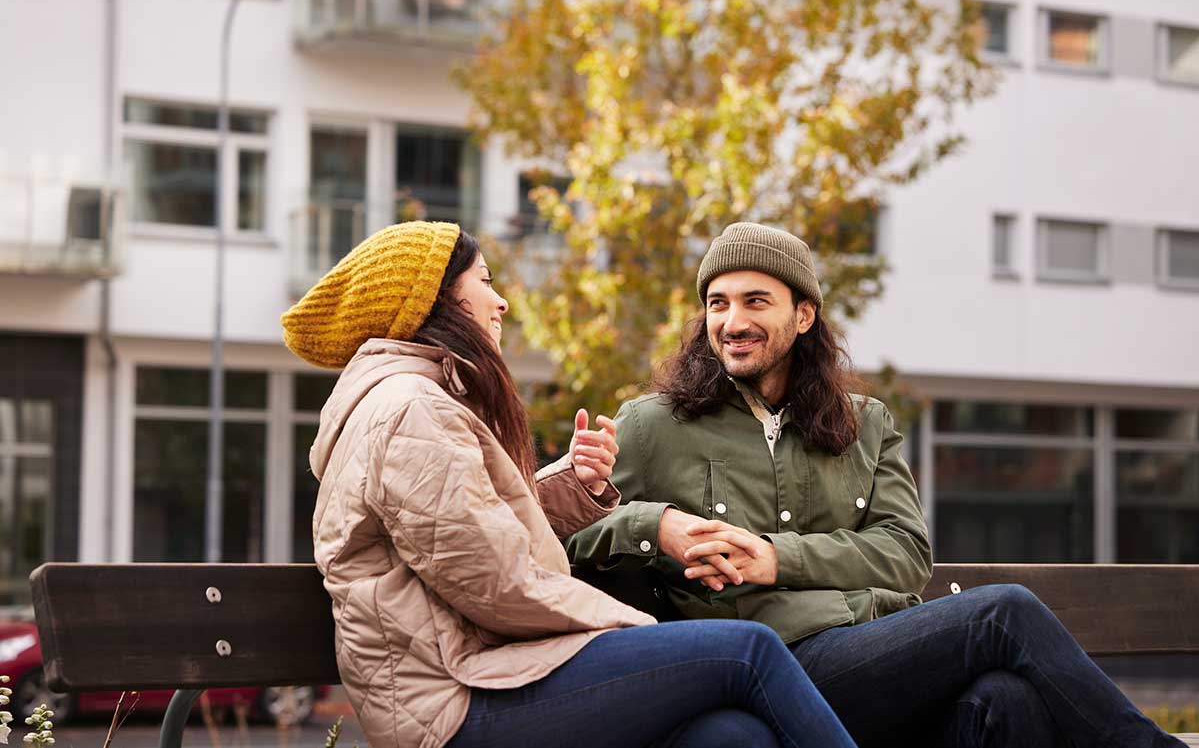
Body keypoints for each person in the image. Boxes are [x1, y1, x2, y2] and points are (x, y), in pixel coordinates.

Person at [566, 222, 1185, 748]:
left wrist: (776, 559)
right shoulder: (653, 423)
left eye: (756, 301)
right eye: (718, 303)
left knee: (1006, 699)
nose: (731, 321)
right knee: (1005, 610)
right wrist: (657, 524)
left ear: (803, 315)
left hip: (874, 650)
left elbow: (907, 555)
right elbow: (573, 541)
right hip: (773, 664)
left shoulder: (865, 423)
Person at [280, 221, 862, 748]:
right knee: (748, 651)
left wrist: (573, 485)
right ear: (437, 301)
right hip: (457, 700)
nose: (500, 299)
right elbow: (494, 582)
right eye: (483, 280)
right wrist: (633, 630)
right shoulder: (410, 411)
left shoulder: (412, 405)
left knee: (731, 737)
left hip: (482, 676)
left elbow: (462, 535)